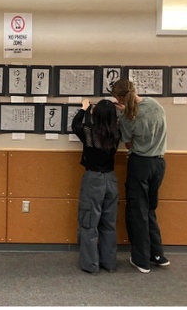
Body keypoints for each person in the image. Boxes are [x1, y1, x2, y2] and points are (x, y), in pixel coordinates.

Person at [111, 79, 169, 273]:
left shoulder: (127, 118)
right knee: (150, 210)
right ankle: (158, 255)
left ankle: (141, 260)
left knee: (137, 212)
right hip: (159, 164)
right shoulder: (155, 104)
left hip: (140, 164)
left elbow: (128, 145)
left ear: (117, 97)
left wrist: (123, 114)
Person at [71, 98, 121, 275]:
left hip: (93, 179)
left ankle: (91, 264)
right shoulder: (117, 132)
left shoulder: (89, 132)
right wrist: (119, 107)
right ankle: (109, 263)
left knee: (89, 222)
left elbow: (75, 125)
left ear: (96, 114)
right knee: (109, 223)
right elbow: (124, 118)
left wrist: (84, 109)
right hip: (111, 179)